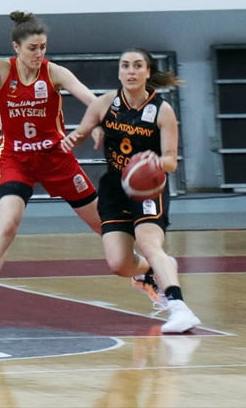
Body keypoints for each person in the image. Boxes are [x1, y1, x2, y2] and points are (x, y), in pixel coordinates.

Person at [0, 0, 101, 326]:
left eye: (43, 47)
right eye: (32, 48)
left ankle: (145, 276)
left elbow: (92, 100)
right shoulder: (2, 70)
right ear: (16, 47)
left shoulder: (54, 72)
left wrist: (96, 125)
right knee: (8, 223)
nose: (39, 53)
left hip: (55, 157)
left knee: (104, 225)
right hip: (16, 157)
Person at [61, 48, 201, 334]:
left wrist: (155, 162)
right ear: (119, 71)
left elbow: (171, 161)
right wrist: (73, 138)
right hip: (115, 188)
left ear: (148, 72)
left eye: (137, 66)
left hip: (148, 188)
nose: (131, 71)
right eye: (125, 66)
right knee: (119, 264)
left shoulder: (162, 110)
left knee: (149, 243)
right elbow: (83, 131)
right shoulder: (104, 103)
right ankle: (154, 269)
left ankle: (179, 307)